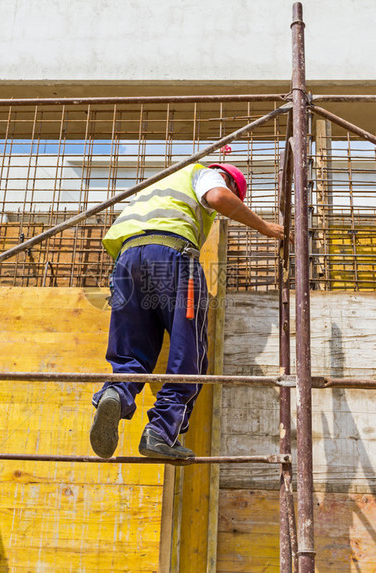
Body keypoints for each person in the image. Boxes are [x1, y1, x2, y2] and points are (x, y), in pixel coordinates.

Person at [90, 162, 283, 459]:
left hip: (127, 260)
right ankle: (161, 432)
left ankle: (116, 393)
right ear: (231, 181)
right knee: (188, 351)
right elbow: (218, 197)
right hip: (171, 256)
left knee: (131, 352)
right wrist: (265, 227)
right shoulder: (203, 172)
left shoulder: (159, 184)